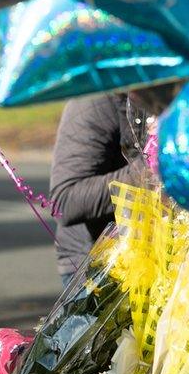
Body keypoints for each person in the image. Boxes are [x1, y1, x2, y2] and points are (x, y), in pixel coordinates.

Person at [49, 92, 166, 287]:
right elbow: (65, 200)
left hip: (174, 258)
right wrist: (153, 168)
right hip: (101, 265)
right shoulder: (97, 97)